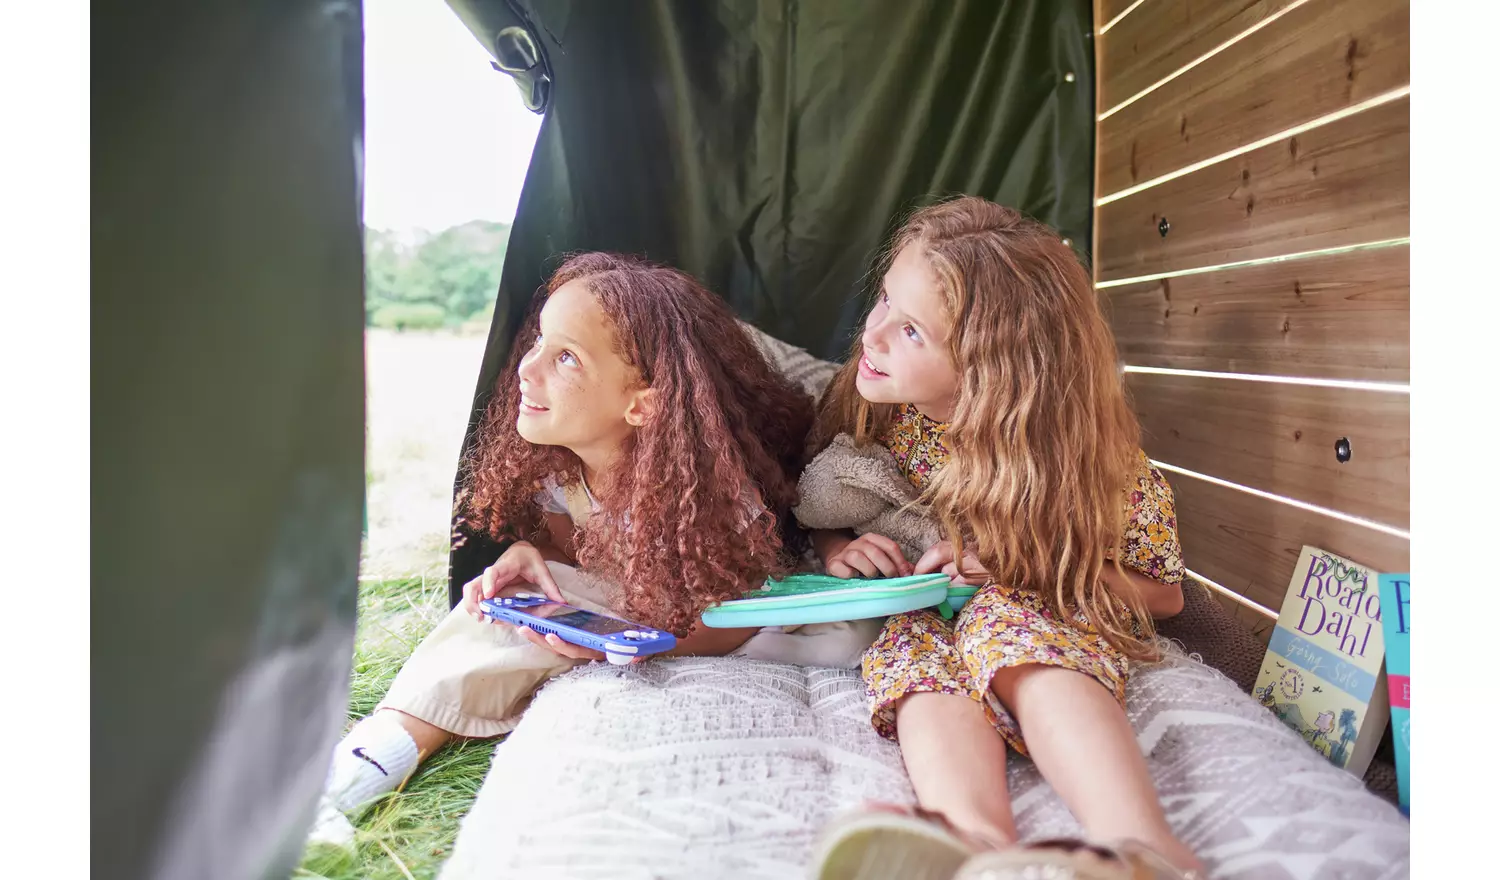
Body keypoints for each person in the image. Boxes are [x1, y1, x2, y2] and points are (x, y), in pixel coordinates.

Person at [311, 252, 815, 843]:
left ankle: (354, 776)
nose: (527, 368)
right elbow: (568, 550)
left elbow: (733, 619)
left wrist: (623, 646)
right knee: (511, 603)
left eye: (566, 358)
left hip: (709, 620)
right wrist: (532, 556)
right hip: (633, 606)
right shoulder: (564, 474)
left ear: (642, 404)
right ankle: (361, 768)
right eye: (540, 342)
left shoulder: (710, 493)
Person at [803, 197, 1203, 879]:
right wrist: (838, 548)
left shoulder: (1093, 463)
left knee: (1010, 624)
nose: (871, 335)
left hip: (1034, 601)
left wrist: (1027, 568)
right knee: (914, 656)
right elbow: (829, 495)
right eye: (883, 302)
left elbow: (1164, 596)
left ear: (994, 368)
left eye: (912, 333)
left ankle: (1143, 848)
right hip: (925, 605)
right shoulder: (879, 403)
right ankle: (976, 846)